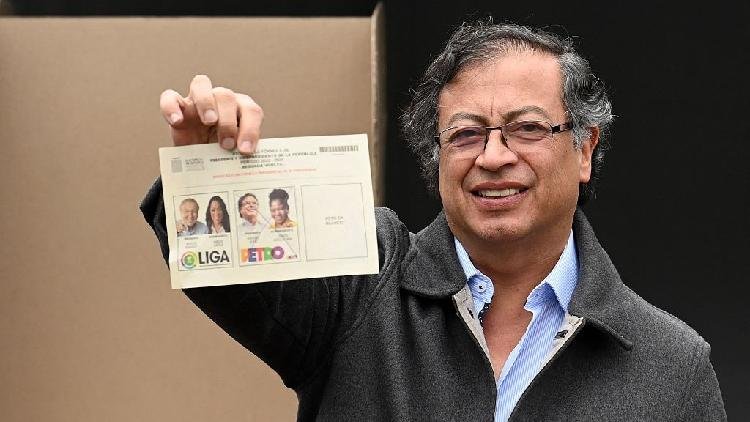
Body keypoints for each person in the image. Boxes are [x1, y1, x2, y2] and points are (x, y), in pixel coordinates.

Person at [144, 21, 726, 421]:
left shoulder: (670, 365)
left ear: (584, 150)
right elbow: (230, 278)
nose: (493, 157)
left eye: (526, 128)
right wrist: (206, 169)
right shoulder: (361, 278)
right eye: (466, 134)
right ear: (437, 157)